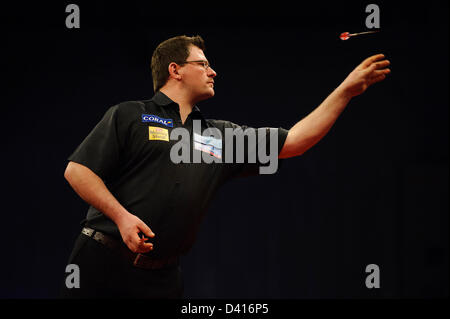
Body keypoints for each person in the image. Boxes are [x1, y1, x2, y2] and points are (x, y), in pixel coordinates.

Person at [60, 35, 390, 298]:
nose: (213, 71)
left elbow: (295, 142)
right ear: (175, 70)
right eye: (202, 64)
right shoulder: (129, 115)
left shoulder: (217, 137)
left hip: (161, 279)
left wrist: (345, 92)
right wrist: (121, 217)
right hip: (101, 263)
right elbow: (77, 171)